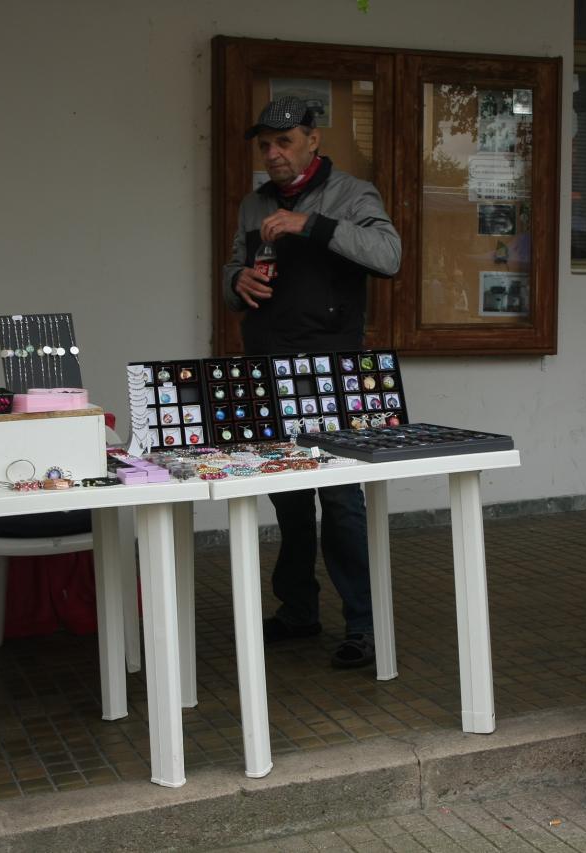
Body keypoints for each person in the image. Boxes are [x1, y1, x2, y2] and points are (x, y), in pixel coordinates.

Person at [221, 95, 401, 669]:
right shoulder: (254, 203)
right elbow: (232, 267)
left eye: (285, 142)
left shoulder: (352, 194)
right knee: (289, 496)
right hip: (268, 366)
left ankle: (364, 627)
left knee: (341, 499)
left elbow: (388, 255)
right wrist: (237, 281)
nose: (273, 154)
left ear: (313, 140)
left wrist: (312, 225)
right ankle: (298, 611)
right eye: (265, 145)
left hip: (332, 371)